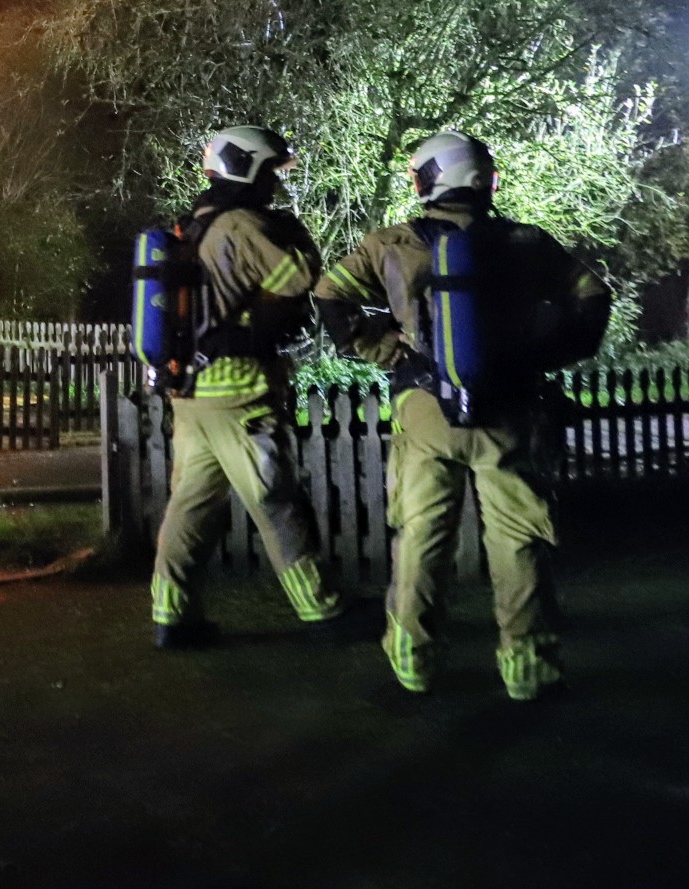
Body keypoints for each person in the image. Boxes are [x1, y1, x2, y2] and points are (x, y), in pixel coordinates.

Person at [313, 131, 609, 699]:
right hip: (512, 410)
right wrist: (544, 356)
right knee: (519, 537)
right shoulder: (528, 242)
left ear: (428, 179)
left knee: (422, 533)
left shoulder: (391, 243)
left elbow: (330, 296)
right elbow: (592, 297)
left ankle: (412, 659)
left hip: (425, 409)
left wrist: (384, 350)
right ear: (483, 179)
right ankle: (528, 666)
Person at [148, 125, 344, 648]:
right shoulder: (242, 225)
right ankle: (324, 613)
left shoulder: (195, 223)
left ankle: (171, 617)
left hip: (190, 393)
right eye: (271, 173)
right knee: (275, 500)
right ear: (248, 168)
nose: (276, 186)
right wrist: (294, 233)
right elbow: (300, 278)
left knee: (190, 507)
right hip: (240, 395)